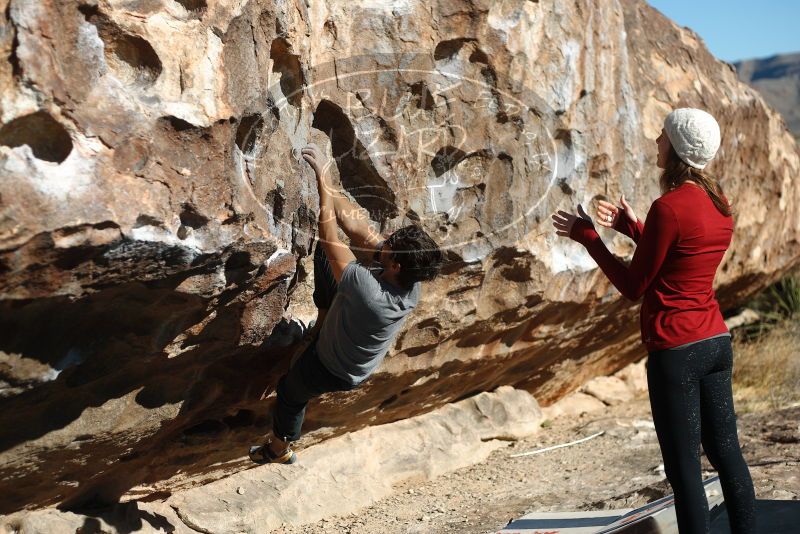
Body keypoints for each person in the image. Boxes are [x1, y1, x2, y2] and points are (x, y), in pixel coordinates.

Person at [552, 108, 755, 534]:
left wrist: (588, 236)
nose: (656, 143)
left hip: (676, 353)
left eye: (661, 137)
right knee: (727, 454)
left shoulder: (668, 206)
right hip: (716, 340)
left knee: (684, 470)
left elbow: (634, 284)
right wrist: (632, 228)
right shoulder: (720, 205)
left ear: (677, 148)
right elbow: (681, 258)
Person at [249, 143, 443, 464]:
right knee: (331, 263)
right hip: (348, 335)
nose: (387, 238)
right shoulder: (408, 278)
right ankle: (323, 322)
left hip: (333, 368)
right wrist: (329, 181)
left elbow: (330, 237)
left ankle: (279, 449)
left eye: (392, 244)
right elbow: (359, 230)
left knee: (290, 392)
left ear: (395, 266)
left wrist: (324, 189)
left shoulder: (371, 294)